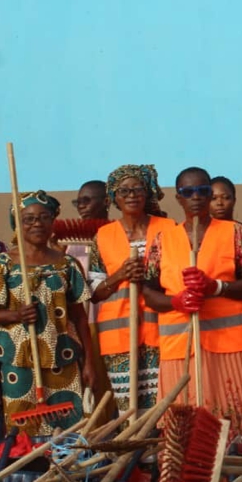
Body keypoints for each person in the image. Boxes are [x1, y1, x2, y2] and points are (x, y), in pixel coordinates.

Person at [142, 167, 242, 435]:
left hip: (232, 347)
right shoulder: (162, 241)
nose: (196, 197)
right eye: (188, 192)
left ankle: (236, 477)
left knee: (235, 421)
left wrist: (216, 287)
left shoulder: (236, 234)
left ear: (210, 194)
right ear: (178, 199)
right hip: (180, 349)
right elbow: (148, 293)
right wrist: (176, 302)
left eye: (203, 191)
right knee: (184, 425)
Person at [0, 191, 97, 436]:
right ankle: (29, 473)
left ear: (53, 221)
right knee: (22, 430)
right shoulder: (3, 264)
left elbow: (80, 317)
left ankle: (65, 471)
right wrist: (16, 316)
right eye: (29, 219)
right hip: (18, 362)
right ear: (17, 224)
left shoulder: (67, 264)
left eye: (44, 217)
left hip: (62, 359)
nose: (37, 224)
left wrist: (90, 363)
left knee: (68, 429)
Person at [90, 165, 176, 415]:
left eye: (137, 189)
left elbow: (178, 273)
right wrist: (120, 275)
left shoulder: (169, 228)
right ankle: (134, 453)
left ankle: (157, 454)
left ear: (147, 192)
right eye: (123, 190)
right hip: (118, 336)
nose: (131, 195)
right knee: (128, 408)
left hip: (162, 331)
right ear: (113, 197)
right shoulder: (103, 236)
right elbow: (95, 291)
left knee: (162, 404)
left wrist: (151, 276)